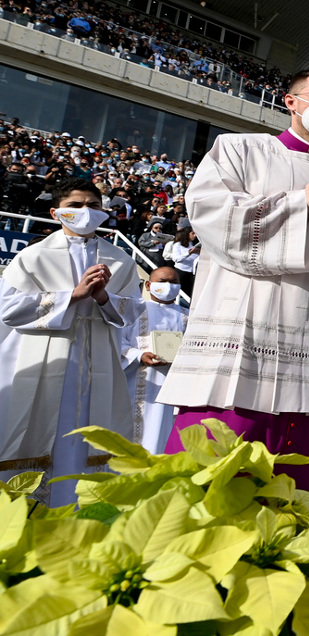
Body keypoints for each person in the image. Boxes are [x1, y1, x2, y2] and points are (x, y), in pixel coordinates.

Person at [159, 70, 309, 490]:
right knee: (218, 452)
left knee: (289, 473)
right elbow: (212, 215)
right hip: (244, 326)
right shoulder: (240, 150)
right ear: (291, 101)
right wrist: (302, 203)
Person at [0, 179, 142, 506]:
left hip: (98, 365)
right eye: (76, 205)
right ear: (56, 212)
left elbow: (133, 311)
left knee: (90, 436)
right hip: (48, 360)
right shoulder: (33, 257)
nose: (85, 212)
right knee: (43, 432)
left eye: (93, 205)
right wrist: (72, 296)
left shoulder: (120, 260)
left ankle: (83, 511)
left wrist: (105, 297)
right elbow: (9, 309)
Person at [119, 266, 188, 453]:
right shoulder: (133, 311)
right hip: (139, 382)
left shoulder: (188, 316)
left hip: (173, 385)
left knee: (166, 434)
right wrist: (139, 355)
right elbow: (117, 341)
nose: (168, 286)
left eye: (173, 282)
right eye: (162, 281)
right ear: (148, 285)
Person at [163, 228, 200, 296]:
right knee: (178, 292)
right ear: (187, 234)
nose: (195, 236)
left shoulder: (193, 244)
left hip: (191, 272)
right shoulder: (178, 245)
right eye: (192, 233)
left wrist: (199, 253)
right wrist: (189, 253)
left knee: (190, 293)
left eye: (195, 234)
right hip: (180, 271)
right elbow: (176, 259)